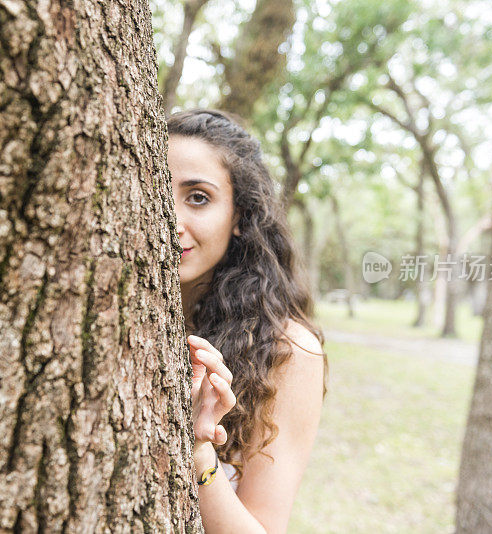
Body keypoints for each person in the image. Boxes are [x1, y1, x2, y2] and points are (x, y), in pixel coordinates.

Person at [168, 109, 328, 534]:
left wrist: (200, 451)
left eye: (198, 197)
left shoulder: (288, 350)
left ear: (240, 217)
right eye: (155, 192)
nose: (170, 219)